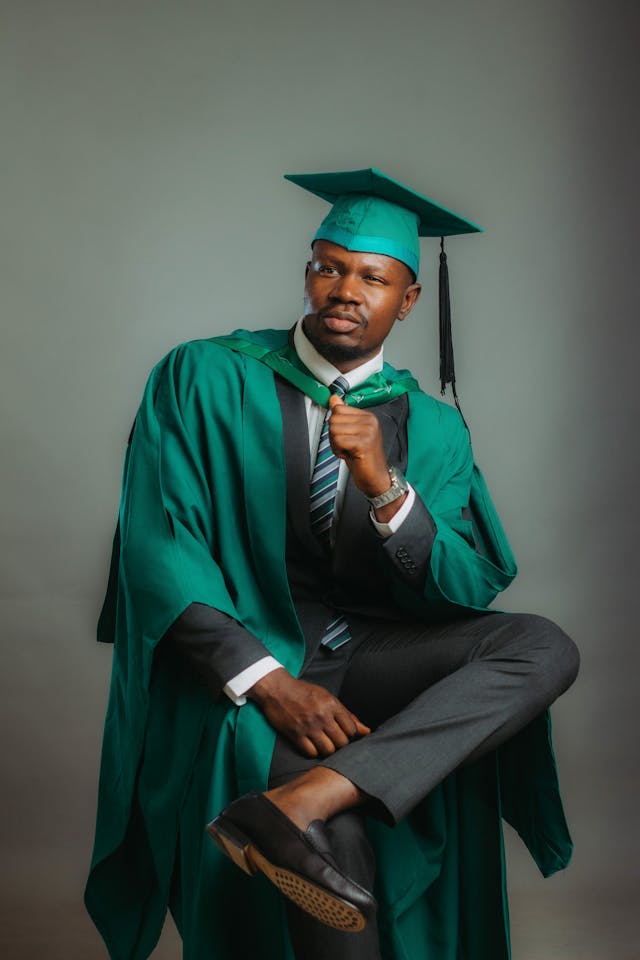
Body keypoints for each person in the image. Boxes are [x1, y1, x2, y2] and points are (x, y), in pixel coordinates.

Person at [85, 168, 579, 960]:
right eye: (329, 267)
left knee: (543, 645)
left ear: (407, 300)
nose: (346, 289)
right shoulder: (205, 376)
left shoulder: (432, 427)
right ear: (309, 273)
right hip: (255, 665)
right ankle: (312, 811)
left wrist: (387, 489)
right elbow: (159, 547)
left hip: (374, 659)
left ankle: (307, 795)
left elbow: (463, 584)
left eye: (373, 277)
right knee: (331, 853)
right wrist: (271, 685)